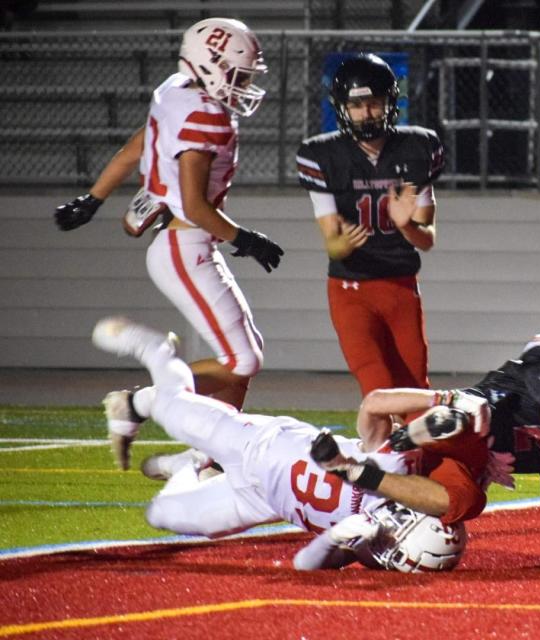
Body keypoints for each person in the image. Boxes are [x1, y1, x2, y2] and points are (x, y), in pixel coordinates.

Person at [53, 18, 284, 474]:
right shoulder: (204, 114)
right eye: (237, 74)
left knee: (242, 352)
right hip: (186, 242)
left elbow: (135, 147)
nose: (243, 85)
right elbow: (196, 206)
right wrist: (248, 239)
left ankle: (212, 458)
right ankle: (137, 403)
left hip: (183, 243)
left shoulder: (176, 89)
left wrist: (94, 197)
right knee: (242, 359)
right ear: (210, 66)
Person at [89, 315, 469, 573]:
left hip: (259, 501)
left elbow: (305, 563)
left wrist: (335, 539)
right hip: (255, 443)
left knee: (161, 515)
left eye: (399, 559)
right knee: (169, 405)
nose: (391, 551)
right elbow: (375, 404)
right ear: (413, 516)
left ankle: (190, 464)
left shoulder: (370, 546)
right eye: (401, 550)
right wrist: (443, 400)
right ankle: (155, 351)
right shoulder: (396, 466)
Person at [327, 330, 540, 568]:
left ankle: (369, 495)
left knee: (462, 510)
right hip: (454, 413)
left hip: (463, 465)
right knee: (465, 415)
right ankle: (401, 439)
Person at [296, 53, 444, 399]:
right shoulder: (322, 155)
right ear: (343, 109)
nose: (366, 113)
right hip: (351, 290)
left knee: (415, 391)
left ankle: (411, 454)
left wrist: (405, 226)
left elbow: (426, 240)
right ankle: (380, 453)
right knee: (377, 386)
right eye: (357, 105)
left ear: (390, 103)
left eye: (374, 103)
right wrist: (343, 244)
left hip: (402, 286)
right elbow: (331, 245)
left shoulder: (417, 148)